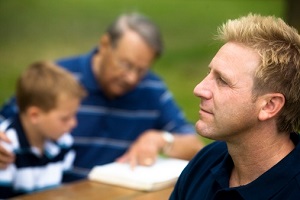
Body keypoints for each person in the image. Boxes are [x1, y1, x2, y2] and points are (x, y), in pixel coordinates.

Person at [0, 12, 204, 181]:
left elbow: (194, 146)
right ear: (105, 44)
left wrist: (161, 139)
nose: (132, 78)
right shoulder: (59, 78)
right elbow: (11, 121)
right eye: (126, 65)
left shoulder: (152, 88)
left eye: (141, 70)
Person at [170, 13, 300, 200]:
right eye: (209, 74)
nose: (199, 89)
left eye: (222, 81)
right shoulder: (207, 161)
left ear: (269, 106)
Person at [0, 61, 86, 198]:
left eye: (74, 115)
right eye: (65, 118)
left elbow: (64, 191)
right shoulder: (6, 149)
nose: (74, 123)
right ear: (34, 115)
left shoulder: (63, 143)